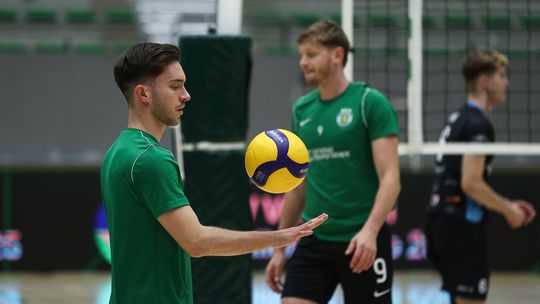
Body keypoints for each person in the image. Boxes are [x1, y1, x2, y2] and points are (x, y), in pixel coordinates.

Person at [100, 42, 328, 304]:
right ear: (143, 94)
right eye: (175, 86)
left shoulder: (116, 153)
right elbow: (197, 242)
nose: (186, 95)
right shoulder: (151, 160)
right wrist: (280, 237)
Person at [265, 20, 401, 304]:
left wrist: (370, 232)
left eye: (311, 54)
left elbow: (391, 178)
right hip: (315, 238)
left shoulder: (370, 103)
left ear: (337, 55)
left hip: (362, 239)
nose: (303, 62)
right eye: (301, 55)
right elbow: (297, 185)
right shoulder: (302, 110)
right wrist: (279, 247)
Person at [425, 50, 536, 304]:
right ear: (484, 81)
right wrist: (508, 209)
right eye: (501, 75)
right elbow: (471, 183)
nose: (506, 82)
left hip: (440, 219)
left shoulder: (460, 118)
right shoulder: (477, 124)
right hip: (460, 224)